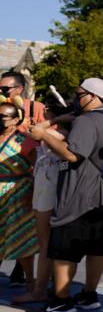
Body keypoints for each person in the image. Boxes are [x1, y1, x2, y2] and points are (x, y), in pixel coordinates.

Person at [24, 78, 103, 312]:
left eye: (78, 94)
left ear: (93, 96)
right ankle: (89, 295)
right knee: (96, 246)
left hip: (80, 195)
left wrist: (44, 135)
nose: (74, 98)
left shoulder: (87, 121)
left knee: (64, 249)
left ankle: (60, 301)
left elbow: (72, 154)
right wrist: (57, 120)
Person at [13, 96, 69, 305]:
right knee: (47, 241)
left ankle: (39, 289)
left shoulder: (53, 133)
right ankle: (49, 285)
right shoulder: (61, 132)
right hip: (46, 183)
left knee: (45, 242)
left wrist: (47, 122)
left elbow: (29, 138)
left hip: (47, 186)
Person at [0, 71, 45, 289]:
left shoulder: (26, 133)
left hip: (19, 189)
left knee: (22, 236)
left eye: (5, 89)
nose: (2, 92)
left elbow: (40, 159)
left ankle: (29, 280)